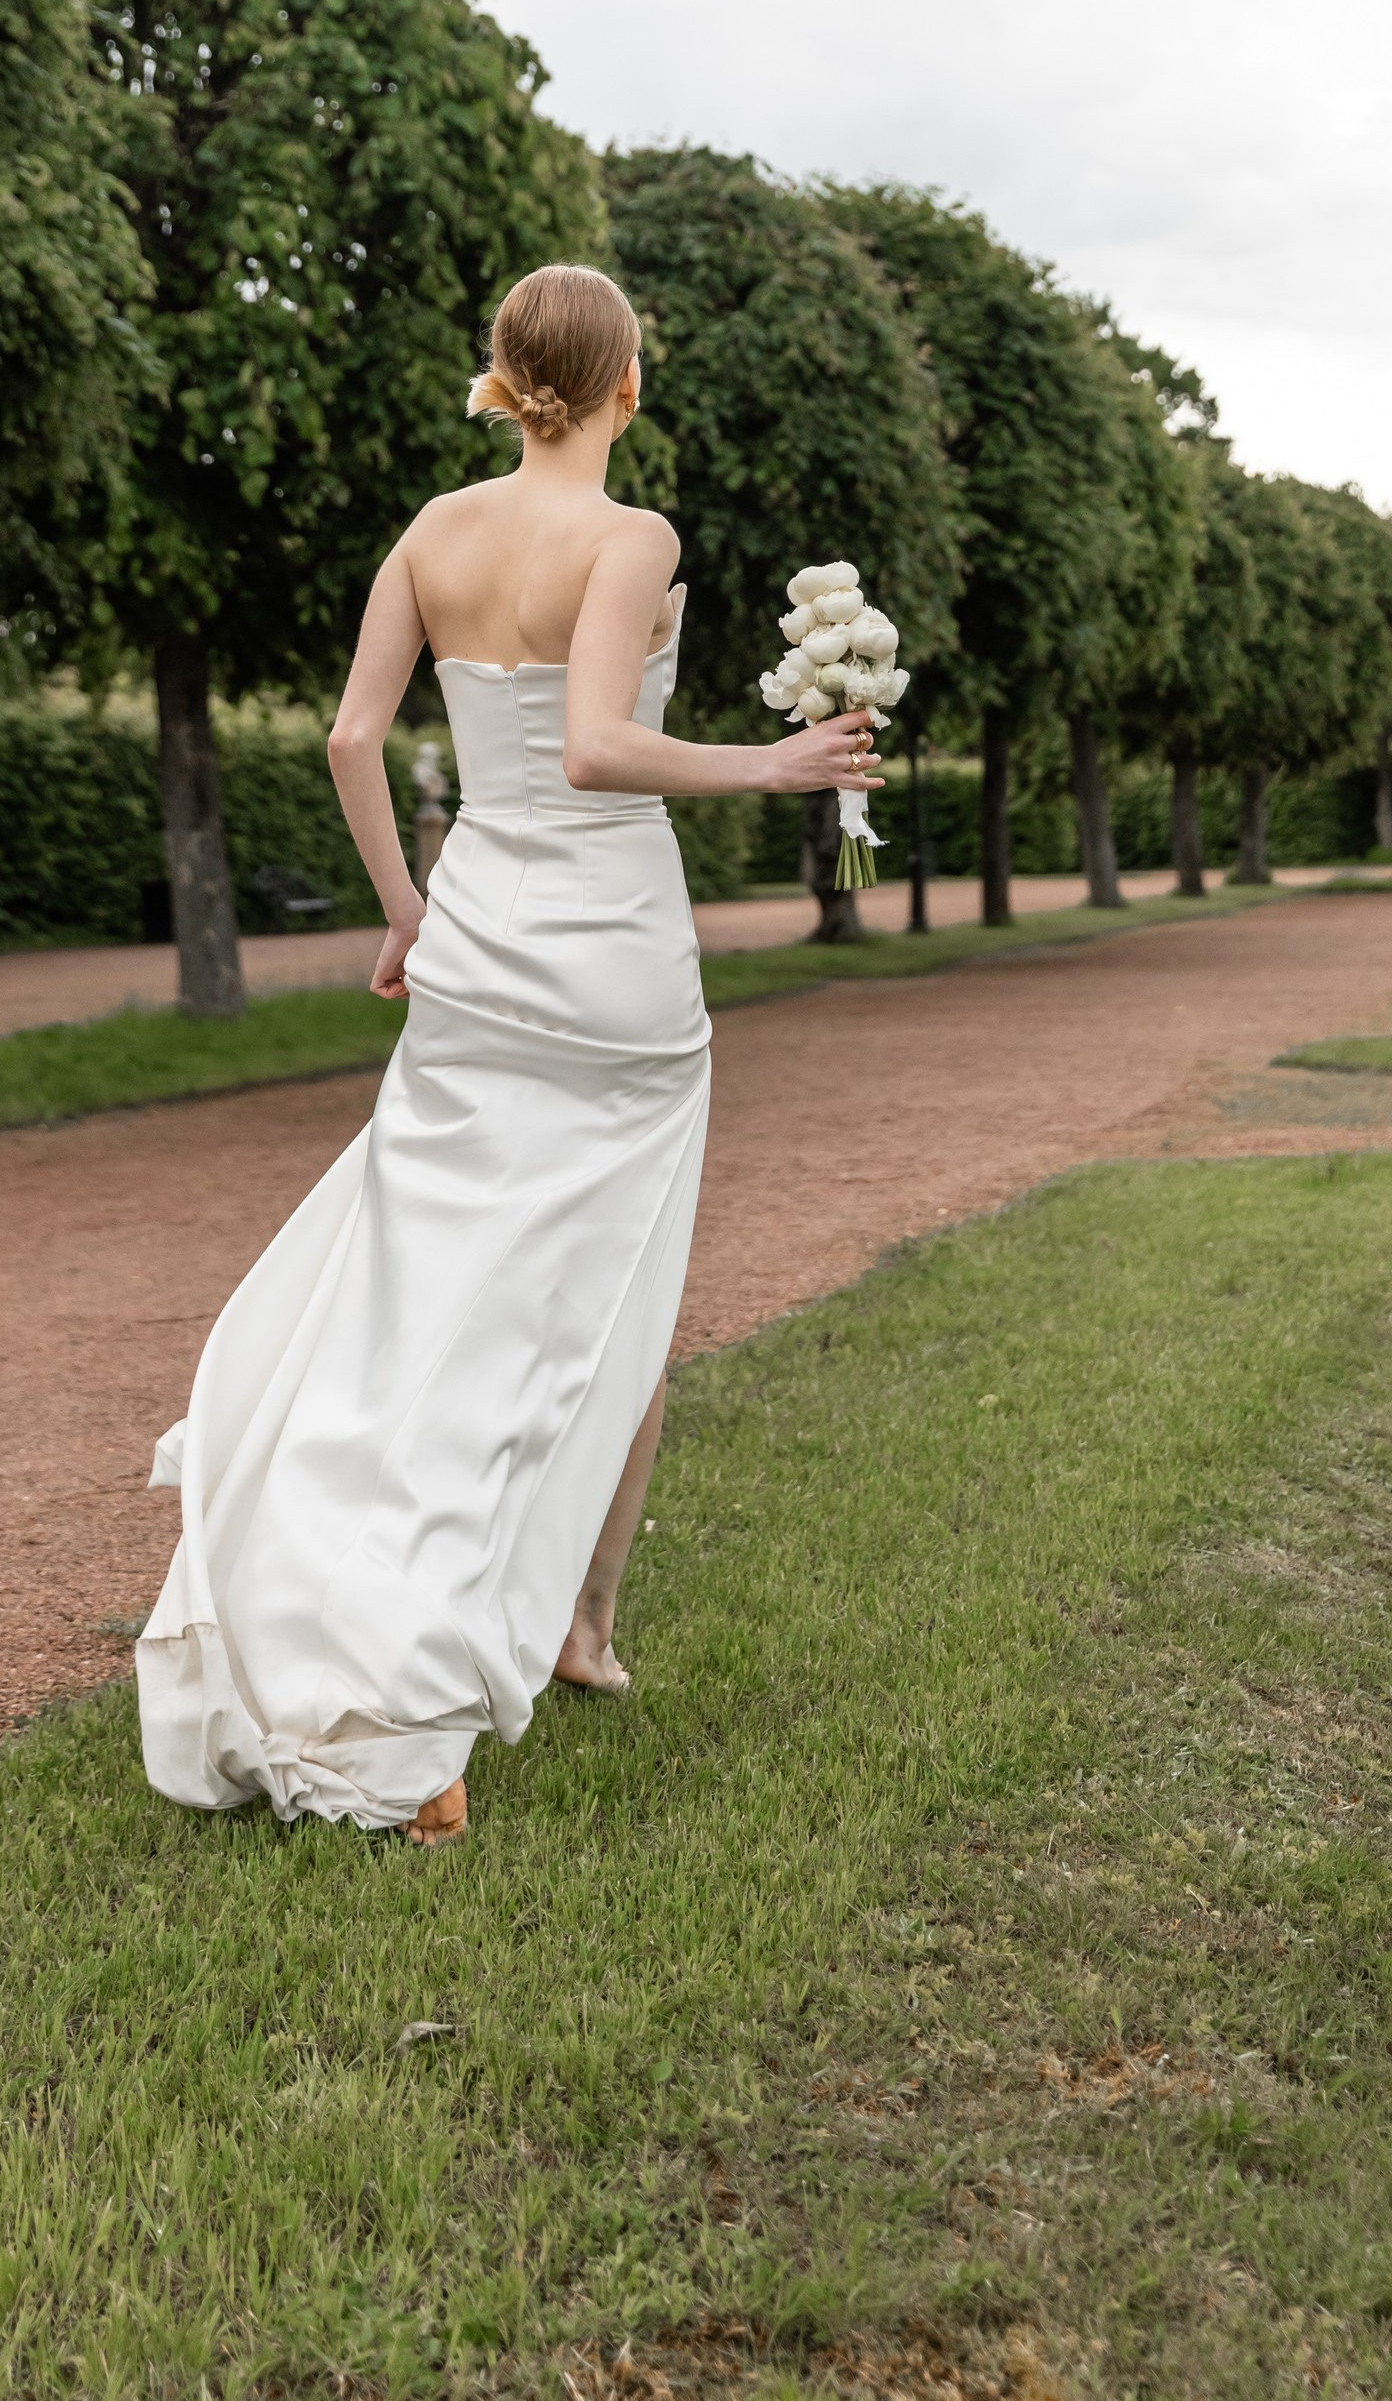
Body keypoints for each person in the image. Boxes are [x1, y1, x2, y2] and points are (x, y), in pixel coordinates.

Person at [135, 264, 883, 1846]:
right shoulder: (632, 538)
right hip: (611, 960)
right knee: (611, 1288)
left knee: (427, 1283)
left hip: (477, 937)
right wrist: (783, 765)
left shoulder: (435, 529)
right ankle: (499, 1648)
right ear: (627, 385)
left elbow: (352, 739)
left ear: (505, 374)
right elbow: (596, 749)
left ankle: (576, 1624)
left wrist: (405, 910)